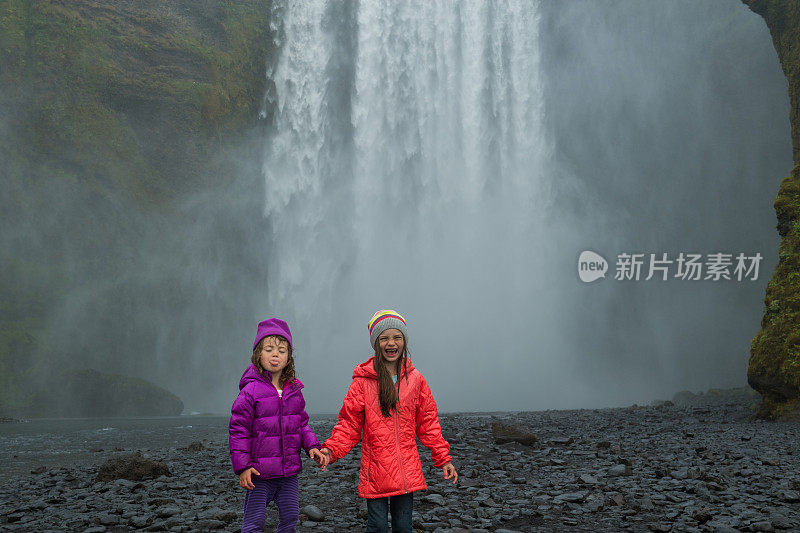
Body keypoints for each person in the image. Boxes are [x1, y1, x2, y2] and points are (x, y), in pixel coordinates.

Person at [320, 309, 457, 533]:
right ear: (376, 343)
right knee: (378, 527)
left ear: (404, 341)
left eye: (397, 337)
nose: (391, 343)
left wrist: (443, 458)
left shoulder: (416, 379)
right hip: (376, 471)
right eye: (384, 338)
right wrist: (331, 450)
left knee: (404, 527)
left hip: (406, 470)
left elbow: (428, 423)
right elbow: (349, 425)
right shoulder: (362, 382)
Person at [229, 318, 328, 533]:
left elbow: (301, 423)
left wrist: (312, 446)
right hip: (259, 473)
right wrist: (243, 466)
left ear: (289, 358)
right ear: (258, 354)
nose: (275, 354)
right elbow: (239, 431)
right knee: (254, 521)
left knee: (291, 516)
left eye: (282, 350)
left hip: (289, 472)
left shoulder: (294, 390)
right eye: (269, 349)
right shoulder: (250, 392)